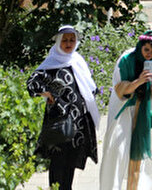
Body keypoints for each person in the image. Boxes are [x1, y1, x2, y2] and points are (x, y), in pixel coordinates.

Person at [28, 25, 100, 190]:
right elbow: (32, 83)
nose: (68, 43)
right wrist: (46, 93)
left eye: (72, 40)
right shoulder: (51, 63)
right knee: (58, 160)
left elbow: (91, 87)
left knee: (71, 160)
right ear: (58, 41)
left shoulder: (78, 61)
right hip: (58, 122)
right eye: (65, 40)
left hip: (79, 122)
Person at [99, 31, 152, 190]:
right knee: (116, 155)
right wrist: (138, 82)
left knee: (141, 161)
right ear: (140, 47)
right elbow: (119, 90)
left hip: (145, 115)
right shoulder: (126, 59)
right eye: (146, 50)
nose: (150, 55)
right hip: (123, 115)